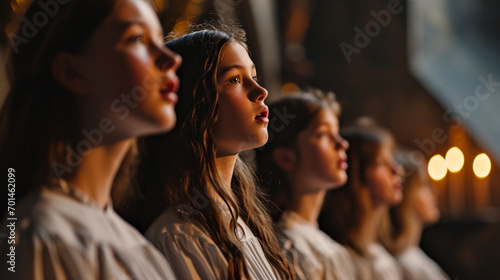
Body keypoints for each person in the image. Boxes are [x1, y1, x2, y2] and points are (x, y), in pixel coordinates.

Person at [0, 0, 181, 278]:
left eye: (160, 39)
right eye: (137, 38)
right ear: (72, 72)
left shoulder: (136, 243)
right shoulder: (41, 235)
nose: (171, 58)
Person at [135, 22, 294, 280]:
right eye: (234, 79)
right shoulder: (179, 234)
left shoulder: (244, 221)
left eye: (254, 77)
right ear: (193, 102)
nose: (261, 92)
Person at [255, 90, 358, 280]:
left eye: (337, 132)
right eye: (324, 134)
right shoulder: (292, 248)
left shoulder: (316, 243)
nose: (342, 143)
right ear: (286, 158)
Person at [319, 119, 404, 280]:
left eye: (392, 160)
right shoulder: (341, 258)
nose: (396, 170)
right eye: (381, 163)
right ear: (357, 175)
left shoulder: (379, 255)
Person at [379, 150, 449, 280]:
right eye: (424, 185)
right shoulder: (406, 264)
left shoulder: (413, 256)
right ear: (404, 192)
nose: (434, 192)